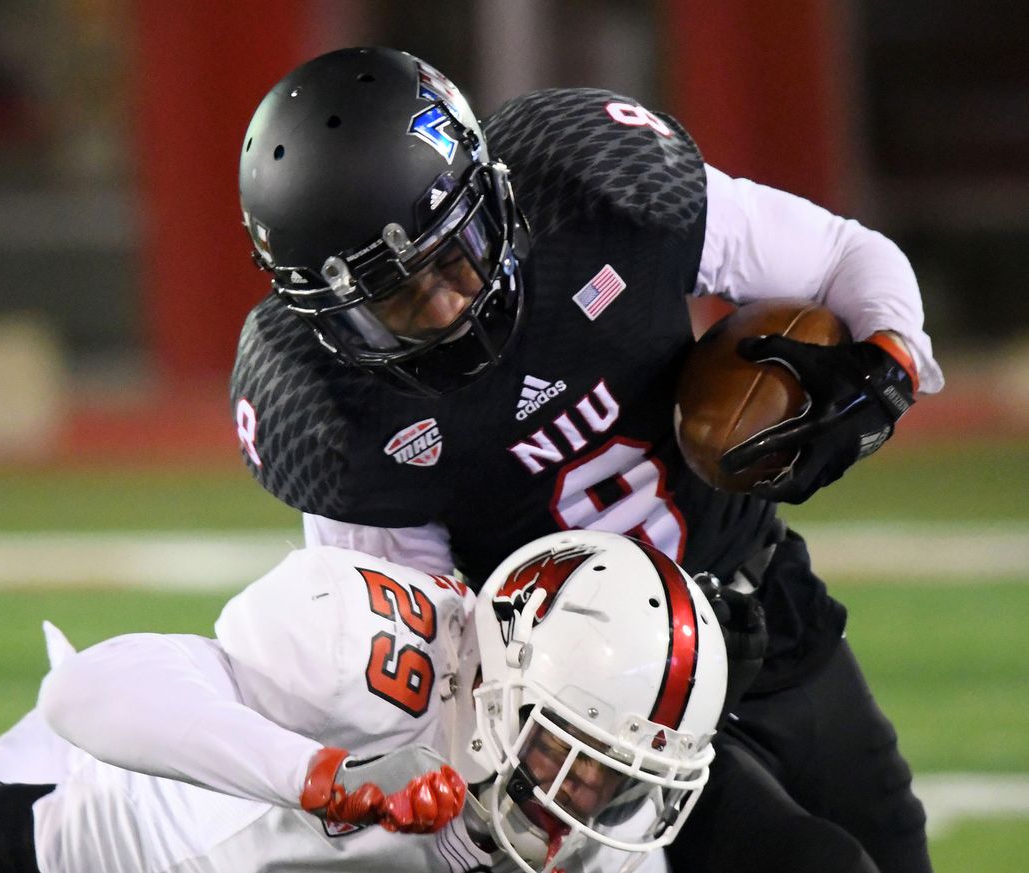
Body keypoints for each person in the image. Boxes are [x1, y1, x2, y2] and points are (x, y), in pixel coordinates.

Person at [230, 47, 943, 873]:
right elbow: (435, 672)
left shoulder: (593, 182)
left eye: (452, 254)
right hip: (588, 711)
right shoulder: (328, 413)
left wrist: (882, 369)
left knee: (893, 848)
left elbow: (843, 258)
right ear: (328, 319)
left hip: (761, 597)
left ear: (490, 193)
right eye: (395, 299)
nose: (448, 306)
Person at [0, 530, 730, 873]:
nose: (577, 801)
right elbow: (89, 689)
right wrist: (318, 776)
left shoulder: (608, 854)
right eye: (563, 755)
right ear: (508, 673)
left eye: (613, 781)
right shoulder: (374, 650)